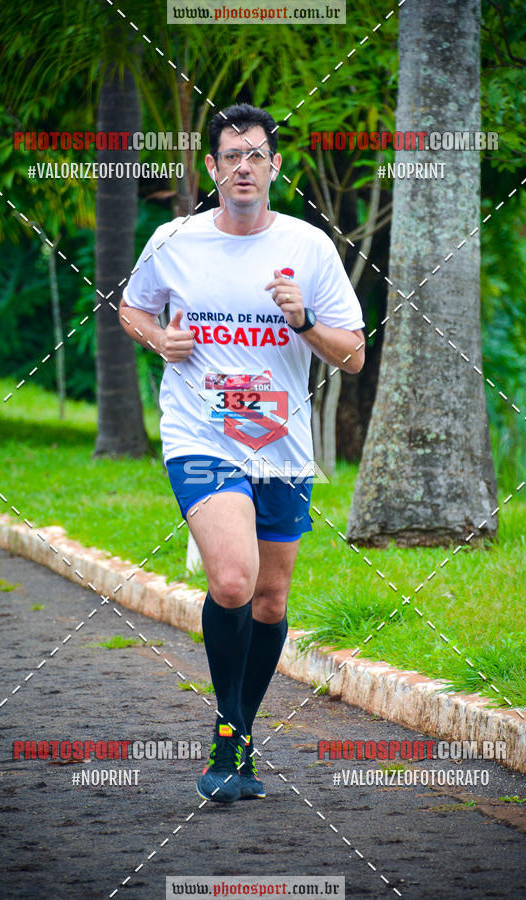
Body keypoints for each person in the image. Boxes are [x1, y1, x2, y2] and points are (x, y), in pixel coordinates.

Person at [119, 103, 365, 803]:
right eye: (232, 156)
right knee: (232, 582)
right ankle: (228, 738)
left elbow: (353, 356)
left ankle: (240, 732)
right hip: (200, 433)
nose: (245, 166)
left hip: (280, 446)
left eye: (256, 154)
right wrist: (157, 340)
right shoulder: (175, 241)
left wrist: (304, 320)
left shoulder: (310, 248)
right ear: (212, 168)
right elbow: (132, 308)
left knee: (269, 599)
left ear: (275, 166)